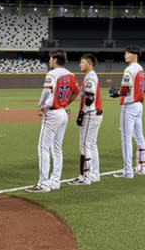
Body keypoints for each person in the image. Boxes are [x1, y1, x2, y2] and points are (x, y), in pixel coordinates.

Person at [27, 50, 79, 193]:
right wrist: (66, 103)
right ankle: (55, 181)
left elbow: (46, 91)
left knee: (43, 147)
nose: (49, 61)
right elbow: (76, 92)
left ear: (55, 59)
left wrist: (40, 105)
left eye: (50, 59)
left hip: (53, 113)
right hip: (63, 112)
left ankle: (43, 183)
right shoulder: (71, 74)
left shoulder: (52, 74)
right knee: (57, 148)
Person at [111, 46, 145, 178]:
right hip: (139, 105)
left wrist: (117, 93)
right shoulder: (141, 69)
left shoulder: (130, 69)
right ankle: (142, 167)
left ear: (135, 55)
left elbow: (125, 90)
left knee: (126, 139)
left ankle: (128, 170)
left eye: (128, 53)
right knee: (139, 136)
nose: (125, 55)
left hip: (130, 106)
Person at [71, 53, 103, 186]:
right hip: (96, 113)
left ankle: (85, 176)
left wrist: (81, 113)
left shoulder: (90, 77)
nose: (80, 64)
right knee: (92, 144)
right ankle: (94, 174)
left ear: (89, 64)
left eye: (83, 62)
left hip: (90, 113)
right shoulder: (91, 76)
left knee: (85, 145)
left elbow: (89, 99)